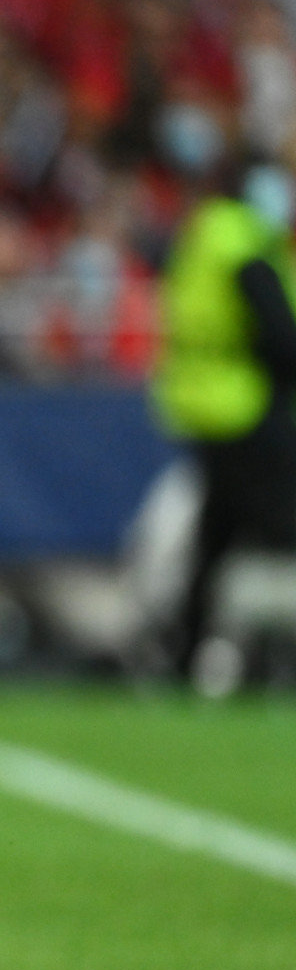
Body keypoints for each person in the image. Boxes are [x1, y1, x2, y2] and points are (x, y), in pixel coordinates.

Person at [154, 164, 296, 680]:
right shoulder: (242, 243)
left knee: (217, 534)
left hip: (199, 405)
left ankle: (185, 650)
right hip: (241, 406)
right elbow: (279, 334)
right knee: (278, 520)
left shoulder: (201, 239)